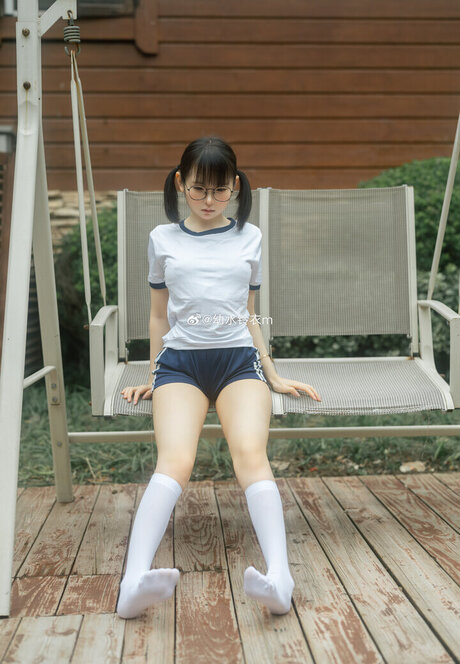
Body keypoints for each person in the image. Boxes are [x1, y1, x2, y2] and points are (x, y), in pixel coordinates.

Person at [116, 135, 321, 620]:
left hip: (237, 363)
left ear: (236, 187)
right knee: (176, 460)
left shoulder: (249, 237)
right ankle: (131, 584)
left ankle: (280, 580)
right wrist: (153, 374)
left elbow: (249, 313)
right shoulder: (162, 239)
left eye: (220, 190)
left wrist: (271, 372)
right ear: (179, 183)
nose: (209, 200)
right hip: (180, 365)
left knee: (250, 454)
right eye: (198, 189)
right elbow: (158, 316)